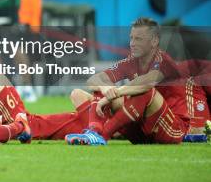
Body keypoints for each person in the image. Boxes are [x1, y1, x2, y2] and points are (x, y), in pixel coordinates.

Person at [67, 17, 188, 145]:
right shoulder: (131, 61)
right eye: (131, 38)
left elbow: (146, 84)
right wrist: (106, 89)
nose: (132, 43)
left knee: (146, 92)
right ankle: (94, 132)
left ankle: (103, 135)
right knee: (101, 87)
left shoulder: (163, 59)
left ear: (154, 41)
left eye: (138, 39)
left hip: (173, 129)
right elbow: (94, 79)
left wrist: (114, 93)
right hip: (142, 130)